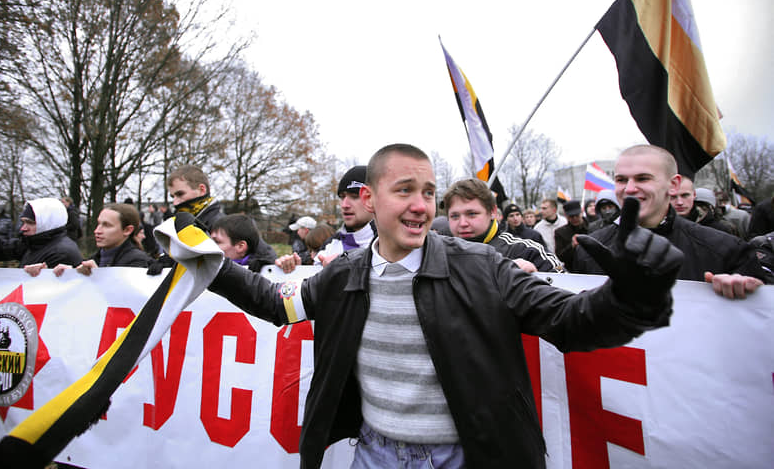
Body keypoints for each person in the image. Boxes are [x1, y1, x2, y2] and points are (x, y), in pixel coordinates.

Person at [201, 143, 682, 468]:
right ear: (370, 198)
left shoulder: (482, 266)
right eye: (405, 190)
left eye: (429, 192)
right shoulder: (343, 275)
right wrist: (210, 266)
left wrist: (634, 296)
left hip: (468, 457)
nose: (421, 205)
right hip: (374, 456)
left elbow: (569, 321)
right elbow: (277, 305)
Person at [574, 144, 766, 299]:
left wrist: (746, 290)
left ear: (673, 185)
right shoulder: (588, 251)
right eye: (622, 180)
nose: (630, 189)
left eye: (643, 179)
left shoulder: (725, 251)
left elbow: (761, 318)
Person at [443, 179, 563, 273]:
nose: (463, 223)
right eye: (454, 216)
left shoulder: (526, 251)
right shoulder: (439, 255)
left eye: (472, 214)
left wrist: (533, 280)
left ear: (492, 212)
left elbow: (567, 290)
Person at [0, 198, 82, 275]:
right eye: (23, 222)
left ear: (47, 223)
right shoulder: (36, 241)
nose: (23, 228)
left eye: (30, 223)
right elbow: (0, 248)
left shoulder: (62, 253)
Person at [50, 203, 151, 277]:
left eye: (107, 225)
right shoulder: (95, 258)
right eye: (99, 224)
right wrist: (69, 274)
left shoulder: (137, 263)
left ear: (127, 230)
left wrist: (97, 277)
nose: (97, 231)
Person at [314, 165, 376, 262]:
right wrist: (295, 267)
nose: (344, 205)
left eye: (355, 196)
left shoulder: (393, 243)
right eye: (342, 197)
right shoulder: (331, 244)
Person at [210, 214, 277, 273]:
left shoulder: (262, 275)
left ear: (240, 246)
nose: (209, 246)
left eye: (217, 242)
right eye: (210, 241)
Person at [167, 165, 225, 231]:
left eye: (180, 194)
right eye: (172, 197)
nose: (175, 203)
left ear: (202, 189)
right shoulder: (176, 224)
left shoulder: (221, 227)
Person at [553, 200, 588, 269]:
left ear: (581, 212)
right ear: (566, 216)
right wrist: (571, 246)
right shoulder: (560, 232)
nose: (575, 219)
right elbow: (560, 256)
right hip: (573, 269)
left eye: (577, 215)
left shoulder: (593, 227)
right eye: (571, 216)